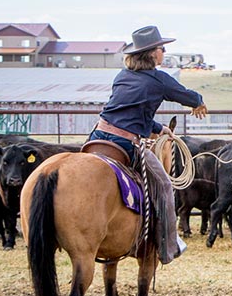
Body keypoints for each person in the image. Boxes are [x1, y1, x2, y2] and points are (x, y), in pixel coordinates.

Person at [88, 25, 208, 263]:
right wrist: (199, 102)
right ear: (153, 53)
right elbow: (187, 96)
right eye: (162, 48)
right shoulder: (159, 80)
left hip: (98, 137)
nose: (164, 52)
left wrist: (157, 128)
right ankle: (168, 245)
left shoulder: (122, 76)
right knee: (163, 185)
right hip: (126, 143)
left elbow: (129, 112)